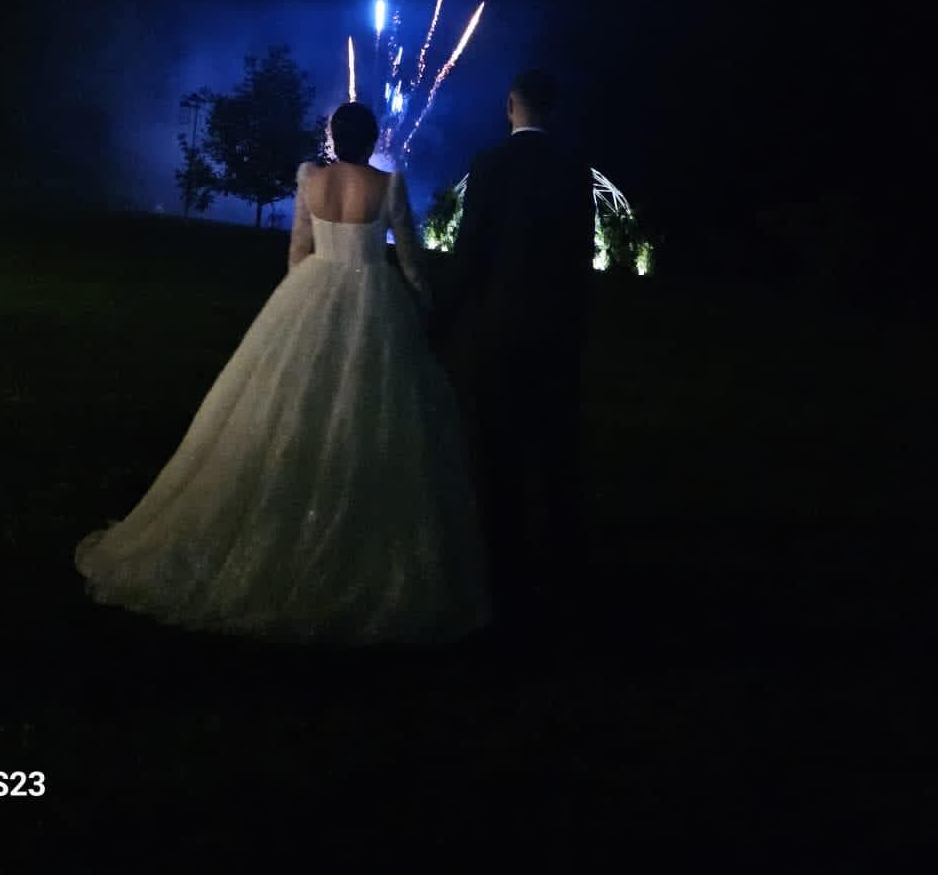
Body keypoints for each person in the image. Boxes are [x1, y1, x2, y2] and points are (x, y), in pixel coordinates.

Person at [75, 101, 490, 645]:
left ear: (333, 138)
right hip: (372, 295)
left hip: (313, 289)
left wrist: (306, 302)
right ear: (372, 140)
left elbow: (298, 251)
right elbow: (409, 259)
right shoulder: (388, 186)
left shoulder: (310, 180)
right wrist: (421, 303)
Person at [435, 69, 592, 634]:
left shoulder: (490, 164)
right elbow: (579, 261)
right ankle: (557, 573)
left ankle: (502, 570)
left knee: (495, 448)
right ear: (553, 109)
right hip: (554, 331)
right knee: (552, 451)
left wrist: (442, 318)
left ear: (510, 106)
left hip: (496, 330)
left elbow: (470, 250)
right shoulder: (576, 172)